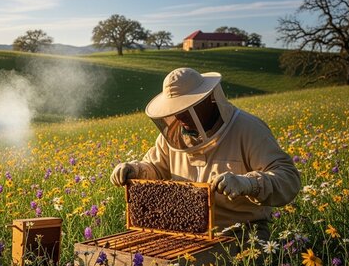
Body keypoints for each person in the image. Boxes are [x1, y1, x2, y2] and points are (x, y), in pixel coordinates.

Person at [110, 67, 301, 240]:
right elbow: (155, 168)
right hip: (186, 231)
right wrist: (134, 170)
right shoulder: (173, 135)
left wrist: (249, 183)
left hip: (241, 235)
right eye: (175, 110)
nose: (179, 116)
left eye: (187, 108)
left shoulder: (248, 129)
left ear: (209, 99)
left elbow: (288, 179)